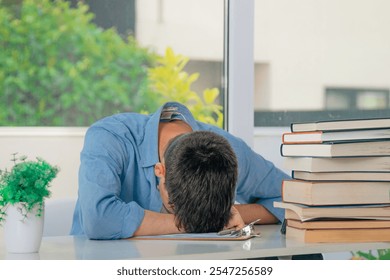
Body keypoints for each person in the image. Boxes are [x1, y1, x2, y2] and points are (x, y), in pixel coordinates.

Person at [70, 101, 290, 239]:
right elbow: (99, 219)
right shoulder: (109, 137)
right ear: (160, 171)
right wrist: (203, 223)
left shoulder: (226, 151)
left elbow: (292, 197)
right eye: (175, 206)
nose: (178, 215)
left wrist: (224, 213)